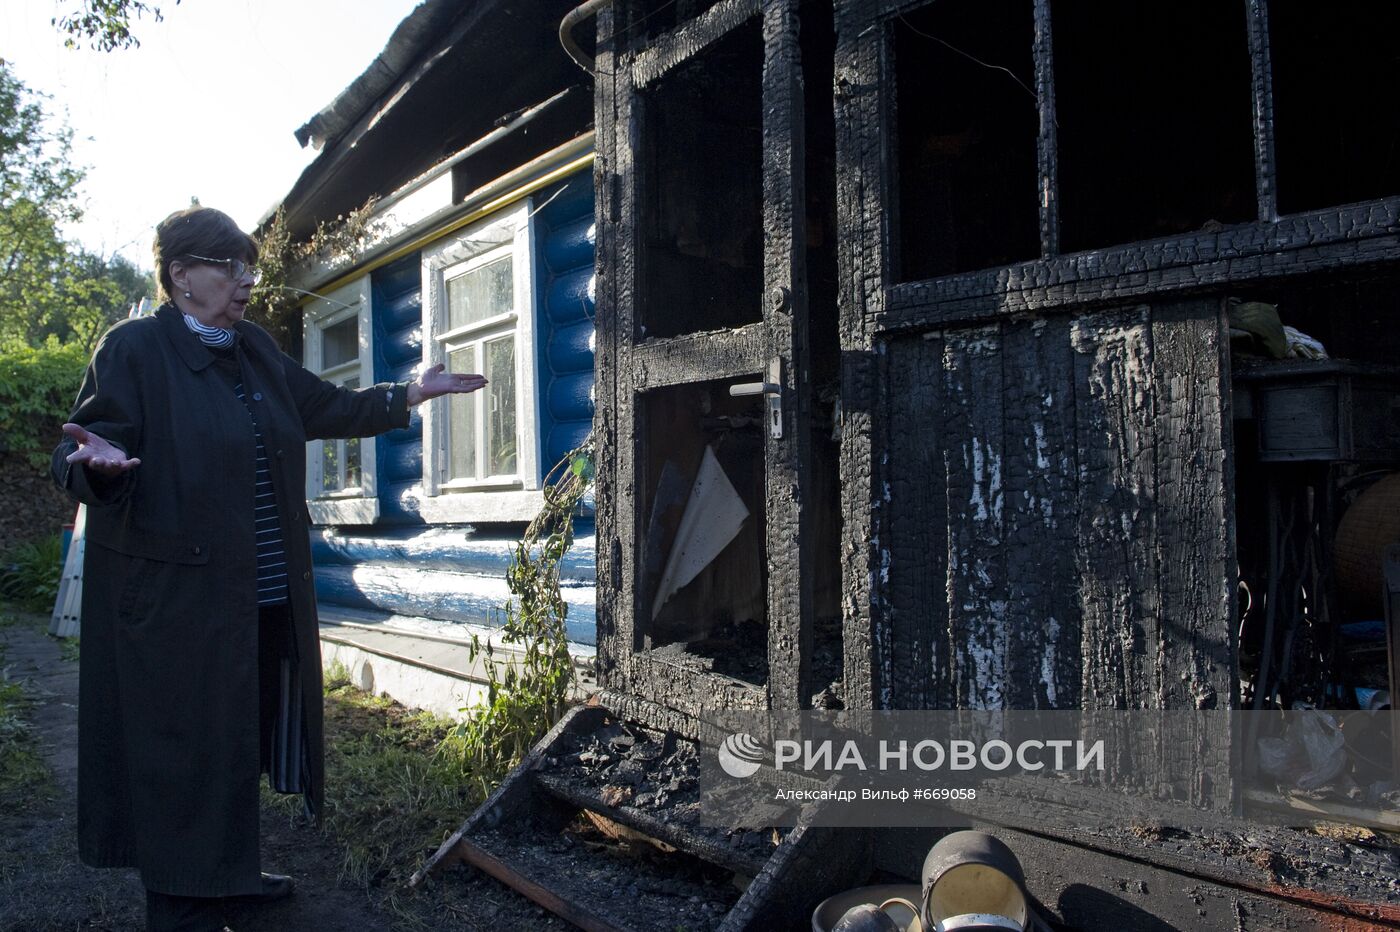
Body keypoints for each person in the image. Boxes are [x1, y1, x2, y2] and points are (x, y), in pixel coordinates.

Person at [51, 206, 486, 932]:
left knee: (239, 735)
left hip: (260, 589)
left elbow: (326, 406)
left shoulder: (251, 348)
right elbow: (86, 452)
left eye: (248, 267)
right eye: (230, 267)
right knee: (183, 747)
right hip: (177, 598)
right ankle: (182, 901)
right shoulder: (132, 350)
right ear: (181, 274)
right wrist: (95, 465)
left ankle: (230, 876)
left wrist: (407, 394)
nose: (245, 281)